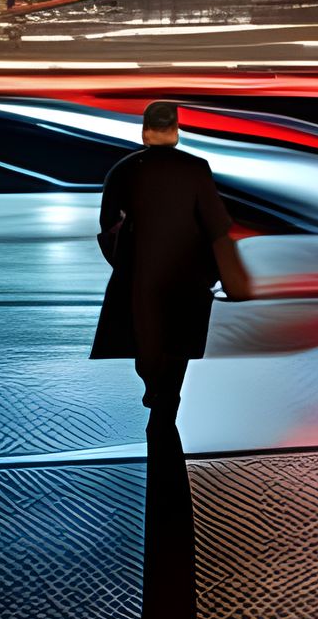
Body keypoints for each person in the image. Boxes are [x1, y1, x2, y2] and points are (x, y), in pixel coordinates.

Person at [92, 101, 252, 427]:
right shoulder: (196, 168)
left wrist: (123, 262)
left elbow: (107, 224)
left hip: (140, 272)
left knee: (144, 339)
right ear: (176, 131)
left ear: (145, 130)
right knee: (179, 340)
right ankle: (168, 398)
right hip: (187, 270)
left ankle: (155, 390)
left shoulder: (124, 169)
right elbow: (215, 223)